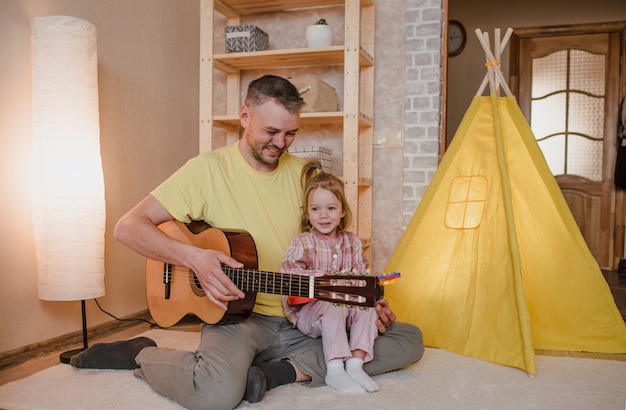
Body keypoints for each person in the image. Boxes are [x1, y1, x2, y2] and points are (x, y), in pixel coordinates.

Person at [69, 74, 424, 410]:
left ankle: (277, 373)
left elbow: (333, 254)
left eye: (290, 133)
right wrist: (193, 258)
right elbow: (128, 226)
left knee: (407, 340)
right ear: (244, 116)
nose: (280, 143)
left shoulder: (306, 175)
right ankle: (139, 353)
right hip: (239, 319)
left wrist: (359, 298)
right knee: (214, 395)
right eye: (271, 131)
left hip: (304, 316)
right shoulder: (205, 170)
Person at [281, 159, 380, 394]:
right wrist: (326, 280)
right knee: (332, 305)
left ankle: (355, 364)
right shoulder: (303, 242)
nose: (323, 215)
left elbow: (361, 275)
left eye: (331, 208)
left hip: (345, 312)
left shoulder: (352, 242)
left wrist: (367, 290)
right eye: (315, 209)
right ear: (307, 212)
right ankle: (335, 370)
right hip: (310, 315)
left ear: (343, 210)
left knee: (368, 306)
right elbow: (288, 274)